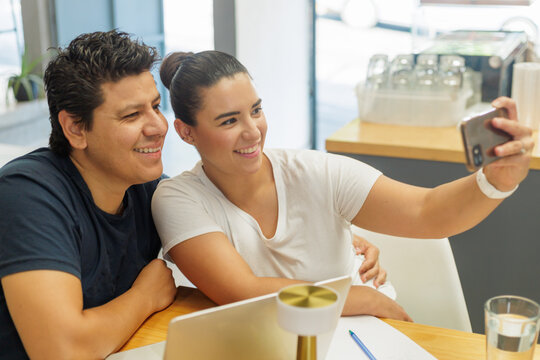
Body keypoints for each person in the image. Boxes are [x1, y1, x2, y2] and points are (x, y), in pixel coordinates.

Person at [152, 50, 533, 321]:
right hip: (279, 334)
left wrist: (494, 182)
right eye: (228, 121)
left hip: (355, 328)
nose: (253, 132)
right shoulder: (177, 198)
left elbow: (427, 211)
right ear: (186, 132)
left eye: (256, 110)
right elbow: (240, 290)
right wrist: (355, 297)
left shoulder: (316, 171)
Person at [0, 30, 177, 359]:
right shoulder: (26, 195)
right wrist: (145, 296)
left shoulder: (149, 189)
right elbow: (62, 351)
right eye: (131, 115)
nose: (158, 126)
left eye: (155, 106)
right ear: (75, 128)